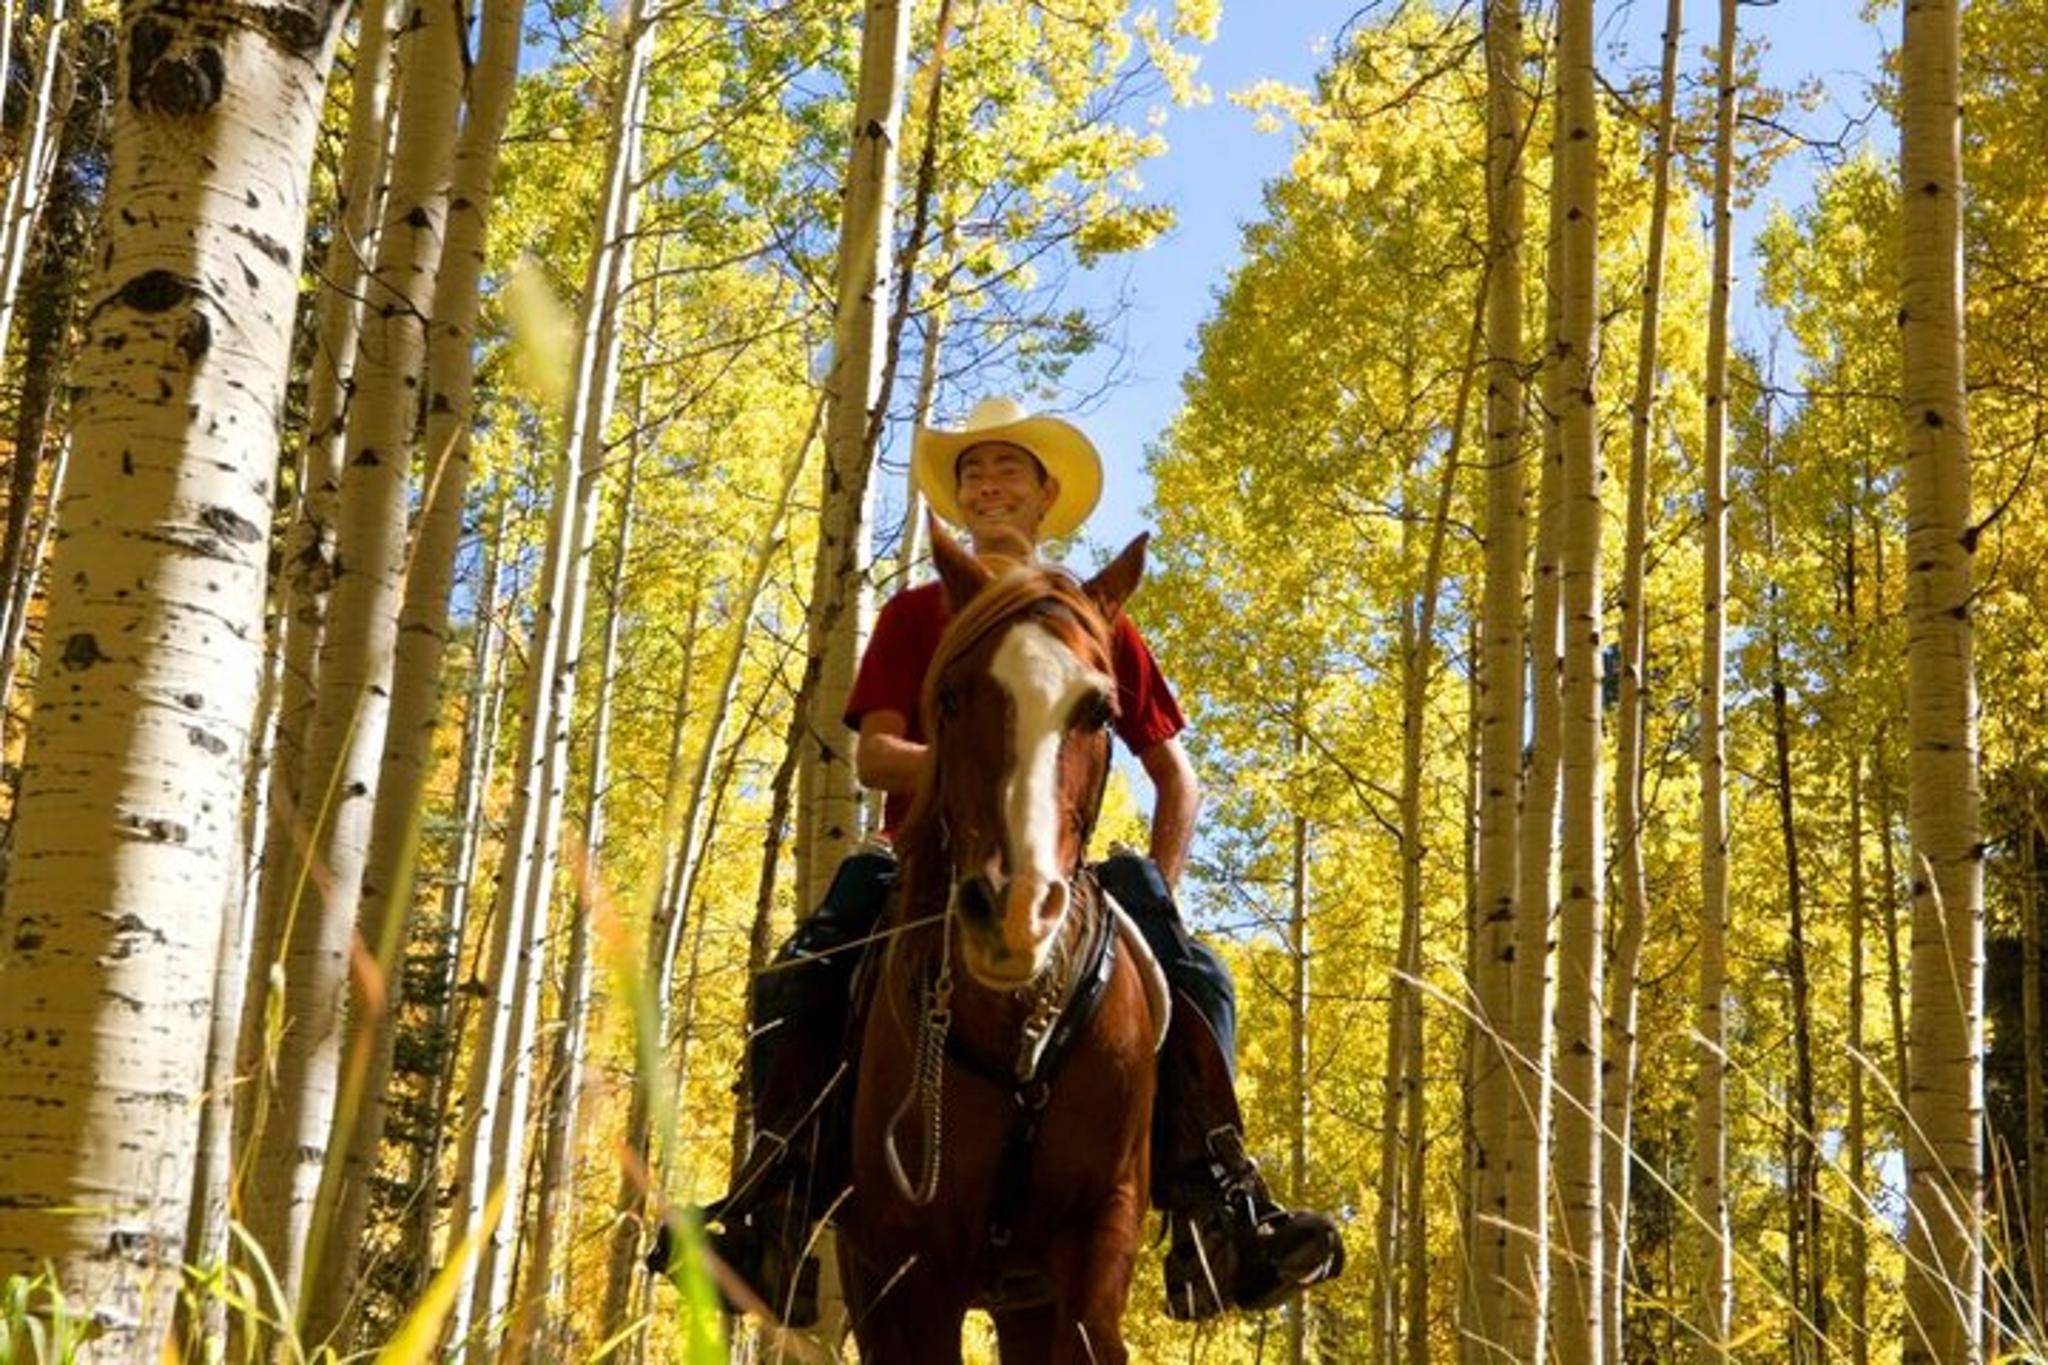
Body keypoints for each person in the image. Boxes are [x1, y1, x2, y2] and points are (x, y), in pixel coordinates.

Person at [693, 396, 1344, 1324]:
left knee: (1198, 973)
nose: (988, 486)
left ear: (1047, 497)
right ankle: (768, 1207)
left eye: (1008, 472)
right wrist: (979, 769)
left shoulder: (1095, 619)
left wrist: (1156, 877)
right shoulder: (920, 611)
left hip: (1066, 864)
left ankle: (1225, 1204)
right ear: (958, 501)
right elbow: (877, 753)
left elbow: (1176, 777)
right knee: (806, 969)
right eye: (972, 474)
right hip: (922, 861)